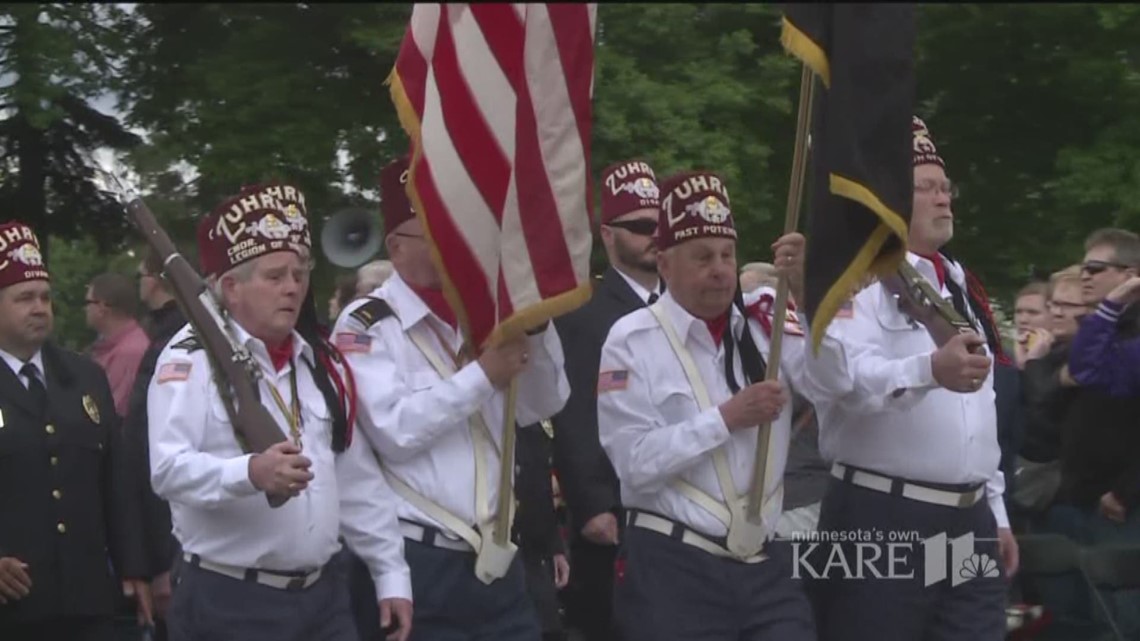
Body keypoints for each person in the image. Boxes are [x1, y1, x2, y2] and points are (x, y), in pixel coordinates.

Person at [148, 184, 413, 641]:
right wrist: (250, 472)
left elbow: (352, 475)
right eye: (274, 276)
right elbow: (168, 470)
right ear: (231, 287)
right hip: (231, 599)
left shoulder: (318, 362)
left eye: (299, 272)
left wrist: (390, 571)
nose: (293, 287)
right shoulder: (189, 359)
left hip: (325, 598)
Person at [333, 155, 569, 641]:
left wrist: (538, 329)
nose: (457, 241)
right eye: (436, 231)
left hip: (499, 554)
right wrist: (484, 374)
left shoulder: (482, 314)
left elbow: (542, 404)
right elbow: (395, 431)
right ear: (397, 247)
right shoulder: (368, 323)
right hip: (420, 559)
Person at [804, 116, 1017, 641]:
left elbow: (977, 406)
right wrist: (927, 370)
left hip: (966, 518)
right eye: (926, 188)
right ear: (891, 199)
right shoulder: (854, 279)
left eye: (946, 188)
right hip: (882, 511)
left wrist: (996, 508)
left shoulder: (960, 282)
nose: (944, 198)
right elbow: (843, 383)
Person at [598, 170, 822, 641]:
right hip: (674, 566)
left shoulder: (766, 326)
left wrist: (808, 299)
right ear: (664, 263)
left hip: (764, 564)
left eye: (726, 254)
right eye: (702, 257)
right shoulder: (631, 340)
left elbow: (836, 387)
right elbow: (634, 463)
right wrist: (725, 418)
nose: (720, 270)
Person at [0, 221, 148, 640]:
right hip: (13, 610)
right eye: (24, 298)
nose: (39, 308)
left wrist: (134, 567)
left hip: (87, 605)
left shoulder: (85, 378)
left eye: (45, 297)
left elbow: (116, 481)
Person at [551, 159, 662, 641]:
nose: (654, 235)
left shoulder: (683, 305)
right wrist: (592, 501)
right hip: (613, 505)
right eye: (639, 227)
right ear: (608, 235)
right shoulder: (584, 313)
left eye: (660, 224)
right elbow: (573, 414)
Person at [118, 244, 193, 640]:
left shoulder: (171, 342)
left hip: (180, 545)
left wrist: (156, 560)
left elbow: (144, 453)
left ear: (158, 280)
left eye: (142, 276)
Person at [85, 272, 151, 417]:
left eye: (88, 302)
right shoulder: (110, 347)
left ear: (102, 307)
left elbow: (109, 413)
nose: (85, 308)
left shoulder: (129, 353)